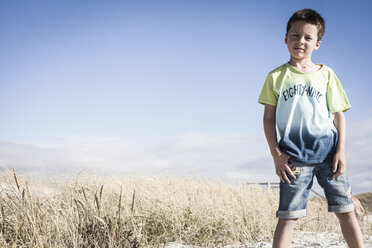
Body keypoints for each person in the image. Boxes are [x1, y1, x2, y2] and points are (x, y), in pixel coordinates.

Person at [258, 8, 364, 248]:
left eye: (308, 37)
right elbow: (268, 119)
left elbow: (339, 116)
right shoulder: (276, 77)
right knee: (287, 217)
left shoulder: (326, 75)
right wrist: (276, 154)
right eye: (295, 35)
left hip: (329, 156)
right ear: (285, 38)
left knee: (346, 212)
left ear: (317, 43)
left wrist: (341, 151)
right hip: (293, 160)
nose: (300, 42)